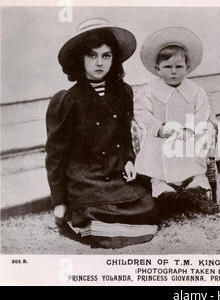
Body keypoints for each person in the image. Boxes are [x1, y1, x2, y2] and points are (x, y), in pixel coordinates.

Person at [45, 18, 159, 248]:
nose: (100, 63)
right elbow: (55, 155)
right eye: (92, 55)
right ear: (80, 58)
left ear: (113, 58)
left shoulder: (123, 92)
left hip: (115, 168)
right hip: (85, 174)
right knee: (93, 211)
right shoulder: (66, 100)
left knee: (147, 205)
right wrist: (59, 200)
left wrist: (128, 159)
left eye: (106, 55)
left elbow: (125, 134)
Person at [134, 27, 219, 215]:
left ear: (187, 68)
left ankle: (197, 182)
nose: (174, 72)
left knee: (195, 151)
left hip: (187, 135)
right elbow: (141, 113)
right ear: (157, 69)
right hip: (162, 135)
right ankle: (161, 186)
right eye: (167, 67)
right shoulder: (148, 91)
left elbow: (202, 112)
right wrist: (159, 128)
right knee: (155, 154)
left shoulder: (196, 91)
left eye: (179, 67)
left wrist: (190, 130)